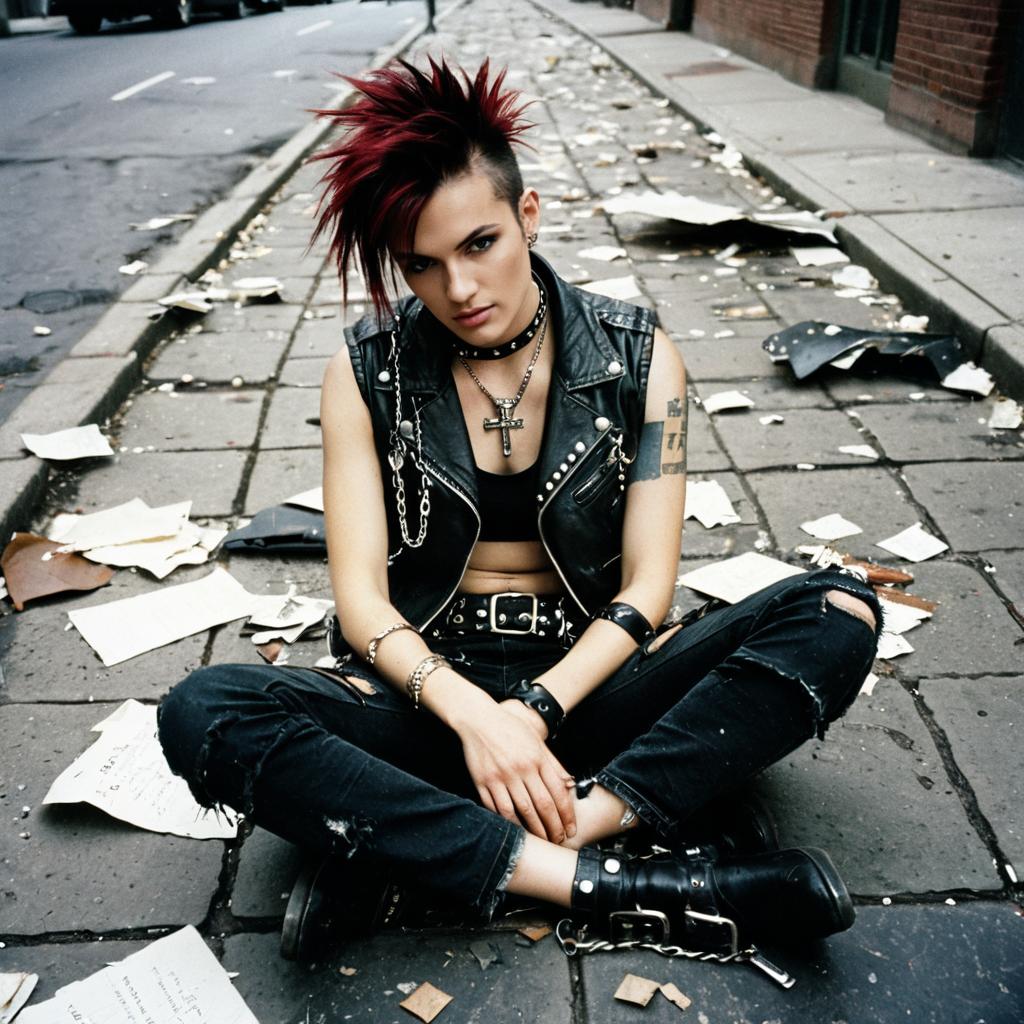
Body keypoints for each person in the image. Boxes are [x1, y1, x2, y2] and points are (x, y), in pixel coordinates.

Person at [157, 57, 882, 967]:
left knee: (838, 609)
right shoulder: (364, 373)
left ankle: (504, 835)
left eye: (480, 244)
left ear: (528, 217)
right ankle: (622, 881)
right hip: (427, 697)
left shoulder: (637, 357)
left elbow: (650, 588)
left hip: (590, 684)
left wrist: (533, 713)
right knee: (203, 711)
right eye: (421, 264)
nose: (459, 289)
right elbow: (364, 609)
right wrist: (477, 718)